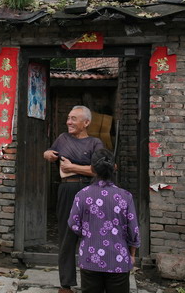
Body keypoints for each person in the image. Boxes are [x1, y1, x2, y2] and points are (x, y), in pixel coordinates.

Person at [43, 105, 104, 293]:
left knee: (93, 235)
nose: (69, 122)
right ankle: (66, 284)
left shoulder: (95, 143)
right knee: (66, 235)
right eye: (69, 118)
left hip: (91, 191)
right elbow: (49, 152)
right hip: (67, 189)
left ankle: (92, 284)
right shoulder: (62, 138)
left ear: (86, 123)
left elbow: (100, 169)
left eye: (74, 119)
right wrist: (47, 154)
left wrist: (73, 168)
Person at [68, 148, 140, 293]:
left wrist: (89, 233)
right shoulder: (125, 196)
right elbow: (133, 230)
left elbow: (73, 223)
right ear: (115, 168)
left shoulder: (82, 195)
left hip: (90, 259)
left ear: (92, 169)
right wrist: (132, 255)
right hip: (118, 260)